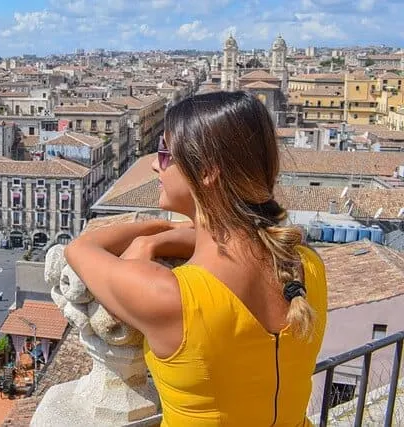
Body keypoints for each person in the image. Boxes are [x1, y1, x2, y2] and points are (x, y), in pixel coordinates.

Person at [64, 91, 328, 427]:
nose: (154, 163)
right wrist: (179, 232)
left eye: (165, 153)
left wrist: (153, 234)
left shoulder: (171, 297)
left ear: (206, 171)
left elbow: (80, 249)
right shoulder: (307, 266)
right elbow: (242, 241)